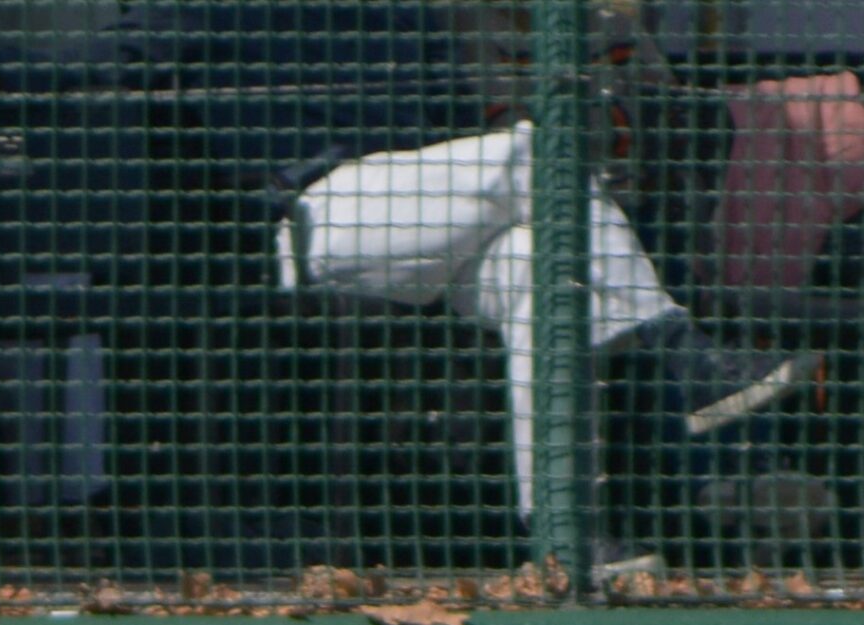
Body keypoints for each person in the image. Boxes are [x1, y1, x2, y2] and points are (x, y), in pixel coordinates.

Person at [109, 1, 807, 568]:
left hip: (426, 218)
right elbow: (117, 52)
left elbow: (449, 118)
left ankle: (569, 541)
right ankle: (683, 357)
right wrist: (39, 77)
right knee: (540, 147)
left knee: (541, 267)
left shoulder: (403, 13)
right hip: (312, 216)